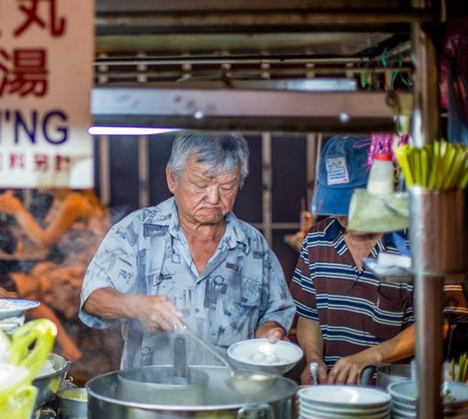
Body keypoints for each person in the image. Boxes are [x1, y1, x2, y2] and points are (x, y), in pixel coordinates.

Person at [79, 132, 296, 369]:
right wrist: (136, 306)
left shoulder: (253, 245)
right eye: (201, 184)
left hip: (231, 395)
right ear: (172, 178)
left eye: (227, 187)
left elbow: (276, 311)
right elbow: (93, 298)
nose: (213, 198)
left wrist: (270, 333)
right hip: (153, 396)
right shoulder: (137, 231)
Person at [291, 135, 468, 385]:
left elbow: (438, 325)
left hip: (401, 393)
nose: (345, 215)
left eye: (354, 204)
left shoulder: (421, 239)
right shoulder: (317, 241)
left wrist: (368, 358)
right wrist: (314, 358)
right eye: (337, 204)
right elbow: (309, 315)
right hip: (335, 393)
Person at [0, 188, 112, 363]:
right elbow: (38, 240)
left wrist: (18, 211)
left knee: (15, 289)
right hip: (67, 267)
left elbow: (44, 242)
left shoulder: (74, 201)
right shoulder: (60, 201)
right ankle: (66, 347)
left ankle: (59, 348)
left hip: (85, 275)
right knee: (22, 294)